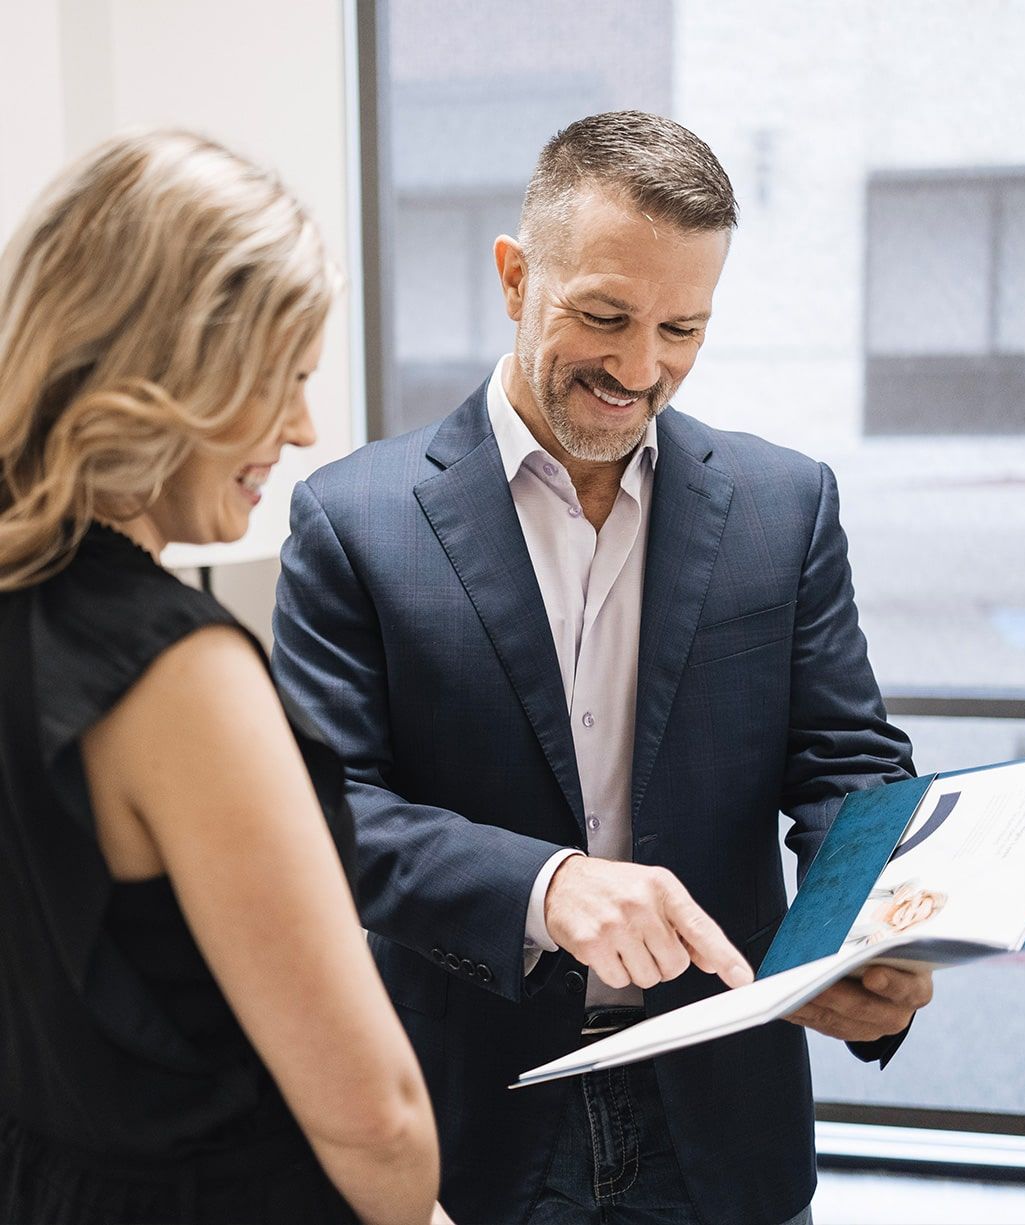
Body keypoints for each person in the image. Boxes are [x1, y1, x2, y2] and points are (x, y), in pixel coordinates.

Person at [273, 110, 933, 1224]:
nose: (641, 369)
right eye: (606, 316)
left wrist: (864, 928)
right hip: (475, 1117)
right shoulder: (351, 521)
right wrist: (546, 886)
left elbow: (847, 760)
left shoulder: (787, 505)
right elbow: (329, 818)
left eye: (683, 328)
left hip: (723, 1116)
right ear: (516, 276)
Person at [0, 130, 447, 1225]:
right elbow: (373, 1112)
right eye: (281, 381)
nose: (300, 430)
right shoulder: (179, 675)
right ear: (170, 373)